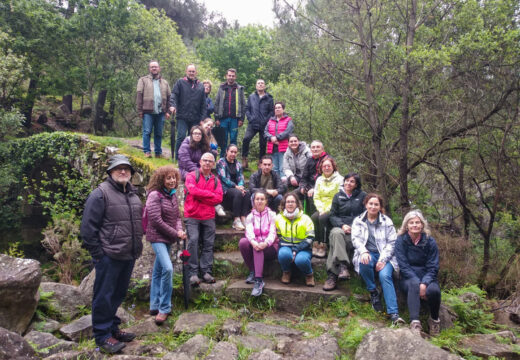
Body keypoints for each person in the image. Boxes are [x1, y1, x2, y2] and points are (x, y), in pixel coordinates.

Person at [80, 155, 143, 354]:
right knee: (104, 296)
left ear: (132, 174)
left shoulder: (133, 195)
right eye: (118, 169)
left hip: (128, 254)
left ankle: (112, 327)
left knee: (118, 294)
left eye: (127, 169)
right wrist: (99, 255)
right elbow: (88, 230)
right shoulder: (100, 194)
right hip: (108, 256)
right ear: (110, 172)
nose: (123, 171)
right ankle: (102, 336)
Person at [351, 193, 405, 325]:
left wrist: (382, 259)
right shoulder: (358, 220)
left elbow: (392, 243)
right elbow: (355, 239)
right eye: (371, 204)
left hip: (385, 256)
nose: (373, 206)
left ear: (380, 206)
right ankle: (373, 291)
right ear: (366, 204)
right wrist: (363, 251)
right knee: (363, 263)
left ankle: (394, 314)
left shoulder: (387, 222)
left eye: (376, 204)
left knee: (385, 275)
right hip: (367, 253)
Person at [145, 165, 186, 325]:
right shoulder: (155, 195)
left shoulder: (172, 195)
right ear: (161, 179)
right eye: (168, 178)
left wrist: (180, 229)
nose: (172, 181)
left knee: (159, 270)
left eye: (174, 177)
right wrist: (175, 233)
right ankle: (164, 308)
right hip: (157, 237)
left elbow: (176, 217)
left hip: (168, 237)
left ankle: (154, 305)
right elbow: (156, 220)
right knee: (168, 268)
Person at [395, 210, 441, 336]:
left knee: (434, 291)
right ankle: (415, 322)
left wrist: (424, 283)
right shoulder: (401, 241)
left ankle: (434, 320)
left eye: (417, 222)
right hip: (408, 277)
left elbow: (433, 266)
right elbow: (403, 265)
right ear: (406, 225)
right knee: (414, 284)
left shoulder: (430, 241)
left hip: (427, 276)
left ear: (422, 225)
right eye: (411, 223)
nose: (415, 225)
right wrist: (417, 282)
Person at [184, 152, 223, 285]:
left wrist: (201, 196)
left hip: (208, 216)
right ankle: (193, 273)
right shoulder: (191, 176)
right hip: (192, 214)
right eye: (205, 160)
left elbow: (219, 198)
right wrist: (209, 195)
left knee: (208, 244)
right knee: (193, 240)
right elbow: (192, 190)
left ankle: (206, 271)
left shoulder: (216, 180)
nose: (207, 163)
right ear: (200, 162)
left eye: (210, 161)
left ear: (213, 164)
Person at [323, 173, 367, 291]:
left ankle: (332, 276)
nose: (348, 183)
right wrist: (342, 225)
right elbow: (332, 215)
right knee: (336, 234)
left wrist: (354, 227)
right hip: (340, 227)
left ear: (356, 184)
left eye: (352, 181)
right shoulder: (338, 196)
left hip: (356, 229)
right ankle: (343, 266)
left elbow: (365, 215)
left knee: (335, 243)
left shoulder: (363, 196)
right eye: (346, 181)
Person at [239, 190, 279, 296]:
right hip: (256, 245)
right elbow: (249, 232)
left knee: (258, 247)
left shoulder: (272, 215)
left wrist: (265, 243)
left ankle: (258, 280)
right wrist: (253, 242)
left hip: (270, 247)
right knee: (243, 242)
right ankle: (253, 270)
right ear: (254, 201)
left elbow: (272, 233)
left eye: (262, 199)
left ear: (266, 201)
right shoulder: (250, 216)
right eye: (257, 199)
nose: (259, 201)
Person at [276, 193, 315, 286]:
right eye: (288, 202)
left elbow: (310, 237)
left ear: (297, 204)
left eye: (292, 202)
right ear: (284, 204)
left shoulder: (306, 218)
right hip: (286, 247)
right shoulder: (278, 218)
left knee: (301, 260)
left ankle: (309, 274)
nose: (290, 204)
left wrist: (296, 250)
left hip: (303, 248)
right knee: (283, 254)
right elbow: (279, 236)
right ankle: (286, 272)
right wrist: (290, 249)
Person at [169, 64, 206, 159]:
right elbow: (174, 95)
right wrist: (173, 106)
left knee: (193, 139)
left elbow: (203, 104)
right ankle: (178, 157)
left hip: (195, 117)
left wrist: (202, 119)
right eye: (189, 71)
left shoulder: (200, 86)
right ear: (186, 72)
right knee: (181, 136)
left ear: (196, 72)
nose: (191, 73)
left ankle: (190, 158)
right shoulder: (180, 82)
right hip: (182, 116)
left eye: (193, 71)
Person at [136, 61, 171, 158]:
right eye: (152, 67)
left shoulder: (164, 82)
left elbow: (169, 98)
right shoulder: (143, 80)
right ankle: (147, 151)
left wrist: (168, 111)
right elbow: (139, 96)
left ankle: (158, 153)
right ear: (149, 69)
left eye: (155, 67)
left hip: (161, 112)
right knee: (147, 131)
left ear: (159, 68)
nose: (154, 68)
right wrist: (140, 110)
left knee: (159, 133)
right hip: (147, 111)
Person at [311, 157, 343, 258]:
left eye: (329, 166)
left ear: (333, 167)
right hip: (321, 208)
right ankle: (317, 242)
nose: (326, 168)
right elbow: (316, 196)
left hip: (333, 207)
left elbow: (337, 197)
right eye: (324, 166)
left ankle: (324, 244)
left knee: (322, 218)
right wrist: (320, 209)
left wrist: (326, 210)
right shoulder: (319, 179)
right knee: (314, 217)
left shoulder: (340, 179)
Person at [242, 79, 274, 168]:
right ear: (256, 86)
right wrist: (250, 118)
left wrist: (266, 120)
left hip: (264, 124)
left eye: (262, 83)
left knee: (263, 144)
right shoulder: (251, 96)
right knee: (246, 139)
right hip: (253, 123)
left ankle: (261, 162)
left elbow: (272, 111)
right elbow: (247, 109)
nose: (260, 85)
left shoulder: (269, 98)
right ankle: (244, 159)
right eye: (258, 83)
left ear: (265, 86)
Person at [214, 68, 246, 157]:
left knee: (233, 139)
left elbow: (243, 105)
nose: (231, 77)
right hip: (222, 119)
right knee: (223, 140)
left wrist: (241, 119)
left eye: (233, 76)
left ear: (235, 77)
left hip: (235, 119)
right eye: (229, 75)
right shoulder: (221, 88)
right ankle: (222, 159)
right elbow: (216, 103)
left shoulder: (239, 89)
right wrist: (216, 118)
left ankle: (232, 158)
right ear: (226, 76)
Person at [216, 144, 249, 230]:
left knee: (247, 193)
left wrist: (241, 186)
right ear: (227, 151)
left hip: (236, 187)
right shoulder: (221, 162)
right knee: (237, 192)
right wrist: (235, 186)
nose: (233, 154)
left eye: (235, 152)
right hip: (225, 188)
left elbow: (240, 176)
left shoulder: (238, 164)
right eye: (231, 151)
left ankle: (243, 217)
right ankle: (236, 220)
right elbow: (223, 178)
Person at [264, 101, 294, 179]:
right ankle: (276, 185)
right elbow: (265, 132)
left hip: (283, 147)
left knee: (283, 168)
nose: (277, 109)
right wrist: (271, 138)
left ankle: (283, 186)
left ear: (283, 109)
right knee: (274, 168)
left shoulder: (288, 120)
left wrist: (277, 138)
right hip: (272, 148)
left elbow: (288, 132)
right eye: (276, 108)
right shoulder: (270, 120)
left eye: (279, 107)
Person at [298, 140, 329, 212]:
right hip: (308, 186)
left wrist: (315, 188)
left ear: (322, 149)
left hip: (322, 186)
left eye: (318, 147)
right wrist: (302, 186)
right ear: (310, 149)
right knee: (292, 195)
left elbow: (326, 178)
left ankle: (312, 218)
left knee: (311, 196)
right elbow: (304, 176)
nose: (315, 149)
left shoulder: (327, 160)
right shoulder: (309, 160)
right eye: (313, 147)